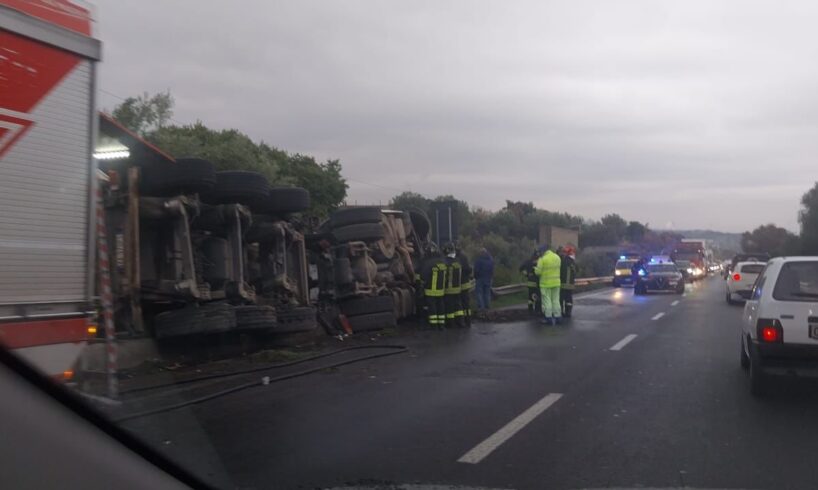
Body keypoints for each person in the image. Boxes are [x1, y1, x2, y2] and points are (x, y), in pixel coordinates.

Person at [418, 243, 447, 329]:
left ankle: (434, 325)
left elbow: (423, 276)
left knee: (432, 307)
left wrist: (421, 285)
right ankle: (441, 325)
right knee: (441, 306)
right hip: (441, 290)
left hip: (431, 290)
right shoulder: (442, 261)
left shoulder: (428, 263)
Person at [534, 244, 562, 325]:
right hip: (556, 283)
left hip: (545, 284)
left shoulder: (542, 259)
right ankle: (558, 317)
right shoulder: (557, 257)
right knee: (556, 300)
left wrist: (535, 269)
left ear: (543, 251)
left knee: (547, 301)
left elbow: (538, 272)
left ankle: (548, 318)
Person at [442, 242, 465, 327]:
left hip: (448, 289)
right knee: (458, 307)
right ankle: (460, 322)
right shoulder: (458, 261)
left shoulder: (445, 262)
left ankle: (451, 324)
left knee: (450, 308)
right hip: (457, 289)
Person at [519, 249, 541, 315]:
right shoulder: (540, 262)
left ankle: (530, 309)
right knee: (537, 296)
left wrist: (525, 273)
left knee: (530, 297)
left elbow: (520, 268)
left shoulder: (528, 261)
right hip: (537, 283)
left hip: (530, 282)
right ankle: (537, 310)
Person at [456, 243, 474, 327]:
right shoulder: (463, 257)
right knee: (466, 304)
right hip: (464, 284)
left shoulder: (453, 258)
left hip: (456, 285)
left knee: (458, 303)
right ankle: (468, 320)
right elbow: (467, 269)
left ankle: (460, 321)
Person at [473, 248, 495, 312]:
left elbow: (476, 270)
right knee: (487, 293)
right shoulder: (490, 260)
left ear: (481, 253)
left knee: (479, 293)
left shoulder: (479, 260)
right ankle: (487, 306)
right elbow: (492, 269)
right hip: (488, 278)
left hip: (480, 278)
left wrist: (475, 277)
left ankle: (481, 307)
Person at [560, 246, 578, 318]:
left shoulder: (562, 261)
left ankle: (561, 312)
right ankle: (568, 312)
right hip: (570, 285)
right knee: (569, 299)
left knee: (561, 299)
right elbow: (577, 270)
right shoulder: (573, 262)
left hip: (563, 284)